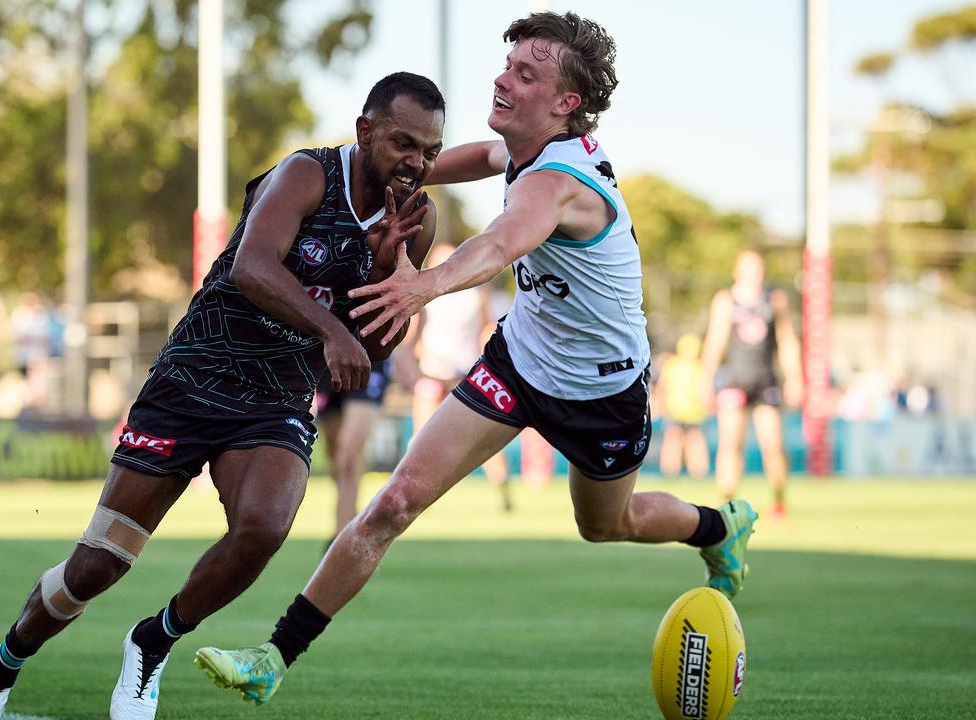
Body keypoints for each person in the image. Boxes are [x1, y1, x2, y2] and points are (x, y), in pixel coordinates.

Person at [194, 12, 759, 707]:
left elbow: (497, 245)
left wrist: (417, 288)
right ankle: (273, 656)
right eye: (508, 63)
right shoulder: (520, 153)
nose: (503, 77)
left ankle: (718, 525)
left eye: (527, 73)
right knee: (394, 502)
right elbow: (454, 164)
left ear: (565, 105)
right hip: (519, 362)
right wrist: (372, 160)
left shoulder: (556, 183)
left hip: (602, 391)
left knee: (606, 524)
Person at [0, 71, 444, 720]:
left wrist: (384, 270)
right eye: (403, 143)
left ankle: (153, 641)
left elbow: (370, 351)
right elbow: (251, 267)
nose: (416, 163)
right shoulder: (306, 175)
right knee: (97, 568)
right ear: (364, 131)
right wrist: (330, 329)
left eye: (430, 152)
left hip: (274, 399)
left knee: (264, 527)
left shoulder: (416, 220)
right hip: (193, 379)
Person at [405, 242, 512, 510]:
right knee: (423, 435)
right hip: (435, 369)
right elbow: (414, 336)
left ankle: (503, 489)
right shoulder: (430, 292)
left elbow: (487, 327)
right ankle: (411, 492)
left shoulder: (476, 291)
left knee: (480, 437)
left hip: (465, 368)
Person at [699, 248, 802, 517]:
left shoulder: (775, 299)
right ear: (737, 271)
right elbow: (715, 341)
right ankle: (727, 505)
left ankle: (779, 503)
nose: (753, 274)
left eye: (757, 268)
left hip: (765, 381)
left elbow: (787, 340)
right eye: (747, 268)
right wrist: (706, 379)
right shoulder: (726, 300)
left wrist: (794, 378)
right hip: (734, 381)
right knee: (730, 444)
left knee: (774, 446)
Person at [313, 358, 392, 540]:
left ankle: (343, 537)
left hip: (371, 357)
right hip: (326, 358)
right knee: (335, 457)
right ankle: (350, 517)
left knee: (348, 455)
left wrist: (407, 350)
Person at [654, 333, 710, 480]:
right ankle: (698, 473)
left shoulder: (672, 364)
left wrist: (660, 404)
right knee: (695, 442)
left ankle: (670, 473)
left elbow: (662, 387)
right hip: (694, 411)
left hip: (675, 409)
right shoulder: (700, 366)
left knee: (673, 441)